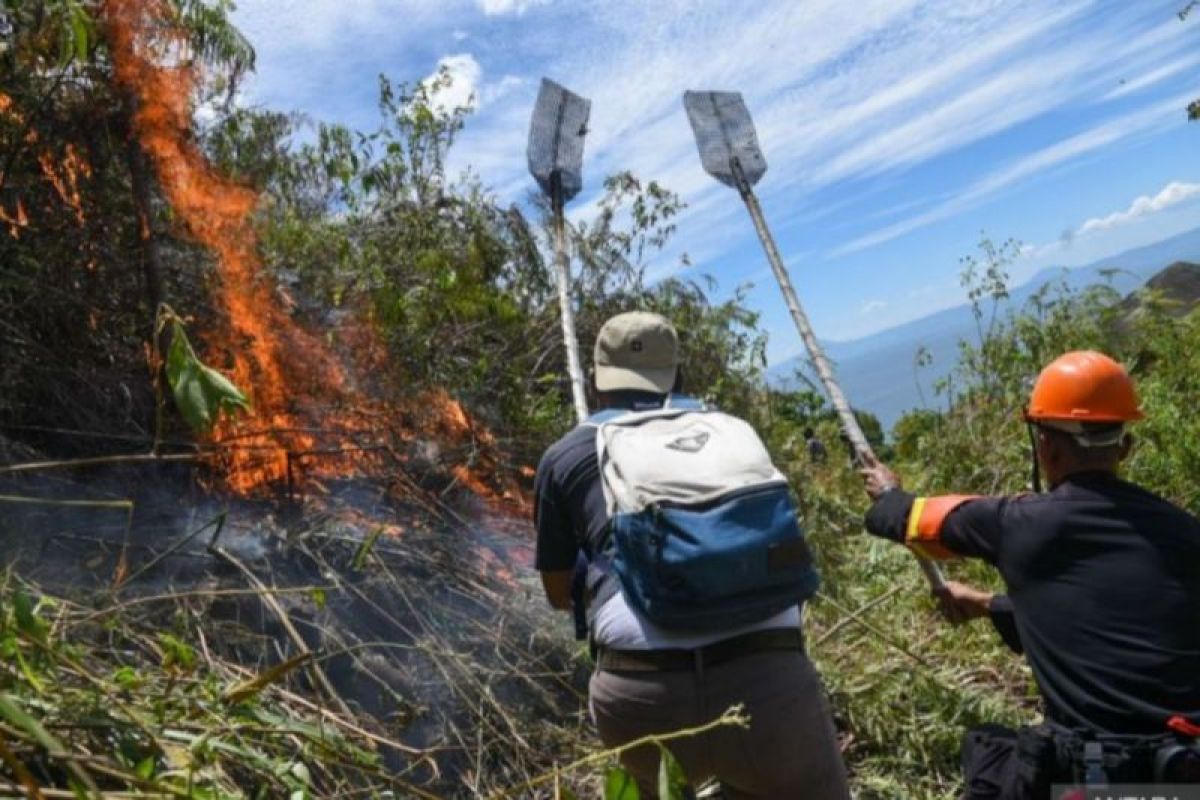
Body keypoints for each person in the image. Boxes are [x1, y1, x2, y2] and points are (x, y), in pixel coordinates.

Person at [535, 311, 849, 799]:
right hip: (769, 686)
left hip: (641, 695)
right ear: (677, 374)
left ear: (597, 381)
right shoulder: (729, 430)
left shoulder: (566, 455)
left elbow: (558, 596)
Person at [858, 350, 1200, 797]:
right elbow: (1098, 619)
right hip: (1186, 769)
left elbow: (900, 517)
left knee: (989, 753)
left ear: (1047, 447)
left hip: (1096, 779)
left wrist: (886, 489)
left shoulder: (1017, 525)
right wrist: (986, 606)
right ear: (1125, 447)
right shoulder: (1185, 532)